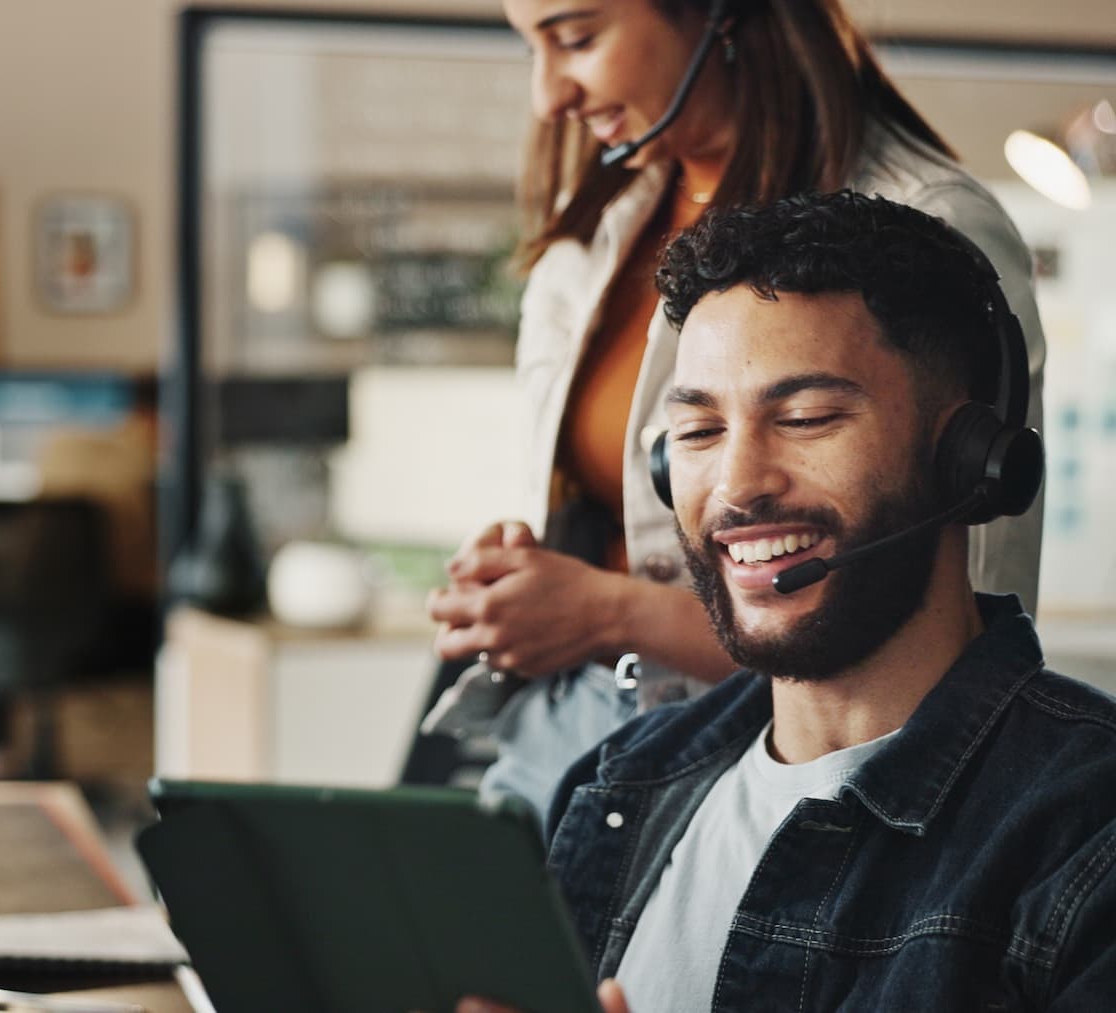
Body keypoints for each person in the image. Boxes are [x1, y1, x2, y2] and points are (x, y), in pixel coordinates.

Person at [462, 192, 1116, 1013]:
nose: (737, 485)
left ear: (966, 462)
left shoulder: (1088, 834)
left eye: (804, 417)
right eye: (698, 434)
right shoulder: (616, 786)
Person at [421, 0, 1046, 822]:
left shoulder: (929, 229)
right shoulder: (603, 225)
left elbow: (950, 624)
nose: (548, 97)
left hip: (771, 772)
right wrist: (534, 574)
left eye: (576, 38)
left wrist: (607, 611)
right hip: (566, 735)